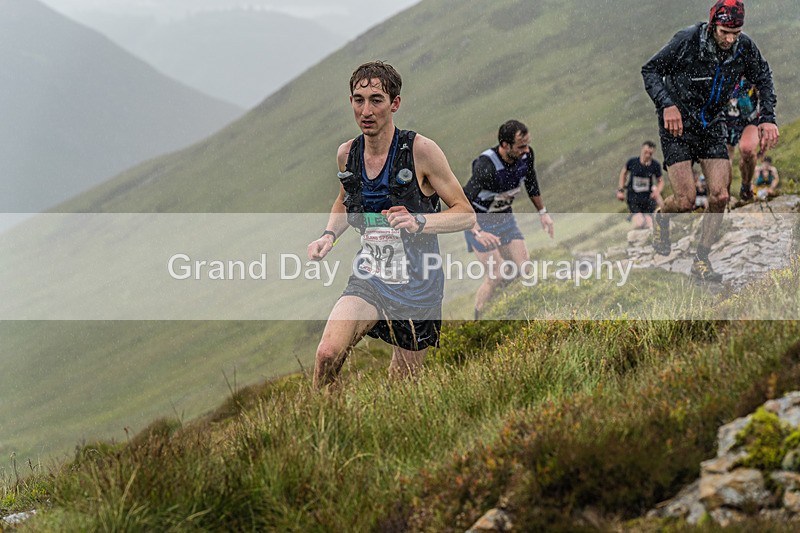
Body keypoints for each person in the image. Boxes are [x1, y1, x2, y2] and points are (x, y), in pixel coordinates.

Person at [307, 61, 475, 387]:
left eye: (376, 100)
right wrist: (328, 235)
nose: (366, 111)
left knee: (402, 385)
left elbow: (465, 213)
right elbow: (344, 199)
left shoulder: (421, 151)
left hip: (419, 286)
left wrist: (418, 221)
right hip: (370, 276)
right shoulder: (347, 154)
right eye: (359, 100)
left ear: (394, 103)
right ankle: (324, 416)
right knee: (327, 354)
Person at [641, 0, 778, 282]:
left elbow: (764, 77)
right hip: (677, 125)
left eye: (736, 33)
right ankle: (662, 216)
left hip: (712, 124)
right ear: (713, 24)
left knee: (720, 196)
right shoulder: (688, 39)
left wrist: (767, 117)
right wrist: (666, 104)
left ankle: (701, 259)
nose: (730, 39)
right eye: (725, 32)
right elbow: (650, 70)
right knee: (686, 201)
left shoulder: (744, 47)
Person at [461, 120, 554, 319]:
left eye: (527, 145)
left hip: (505, 220)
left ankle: (512, 312)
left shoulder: (526, 156)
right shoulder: (486, 166)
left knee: (524, 269)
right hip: (480, 223)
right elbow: (462, 202)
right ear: (505, 145)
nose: (526, 150)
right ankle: (477, 321)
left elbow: (531, 182)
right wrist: (478, 232)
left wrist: (543, 213)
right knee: (496, 275)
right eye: (520, 146)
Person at [724, 77, 761, 201]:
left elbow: (765, 90)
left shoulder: (752, 72)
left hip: (749, 119)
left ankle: (746, 184)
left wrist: (767, 121)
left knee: (747, 150)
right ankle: (724, 196)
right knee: (724, 158)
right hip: (725, 120)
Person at [616, 141, 664, 229]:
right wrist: (621, 190)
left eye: (650, 153)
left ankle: (648, 236)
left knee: (650, 224)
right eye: (646, 152)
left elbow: (661, 181)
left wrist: (657, 191)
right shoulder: (632, 162)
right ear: (642, 150)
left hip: (647, 199)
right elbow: (623, 173)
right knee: (640, 222)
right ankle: (630, 232)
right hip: (633, 198)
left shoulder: (655, 165)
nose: (647, 155)